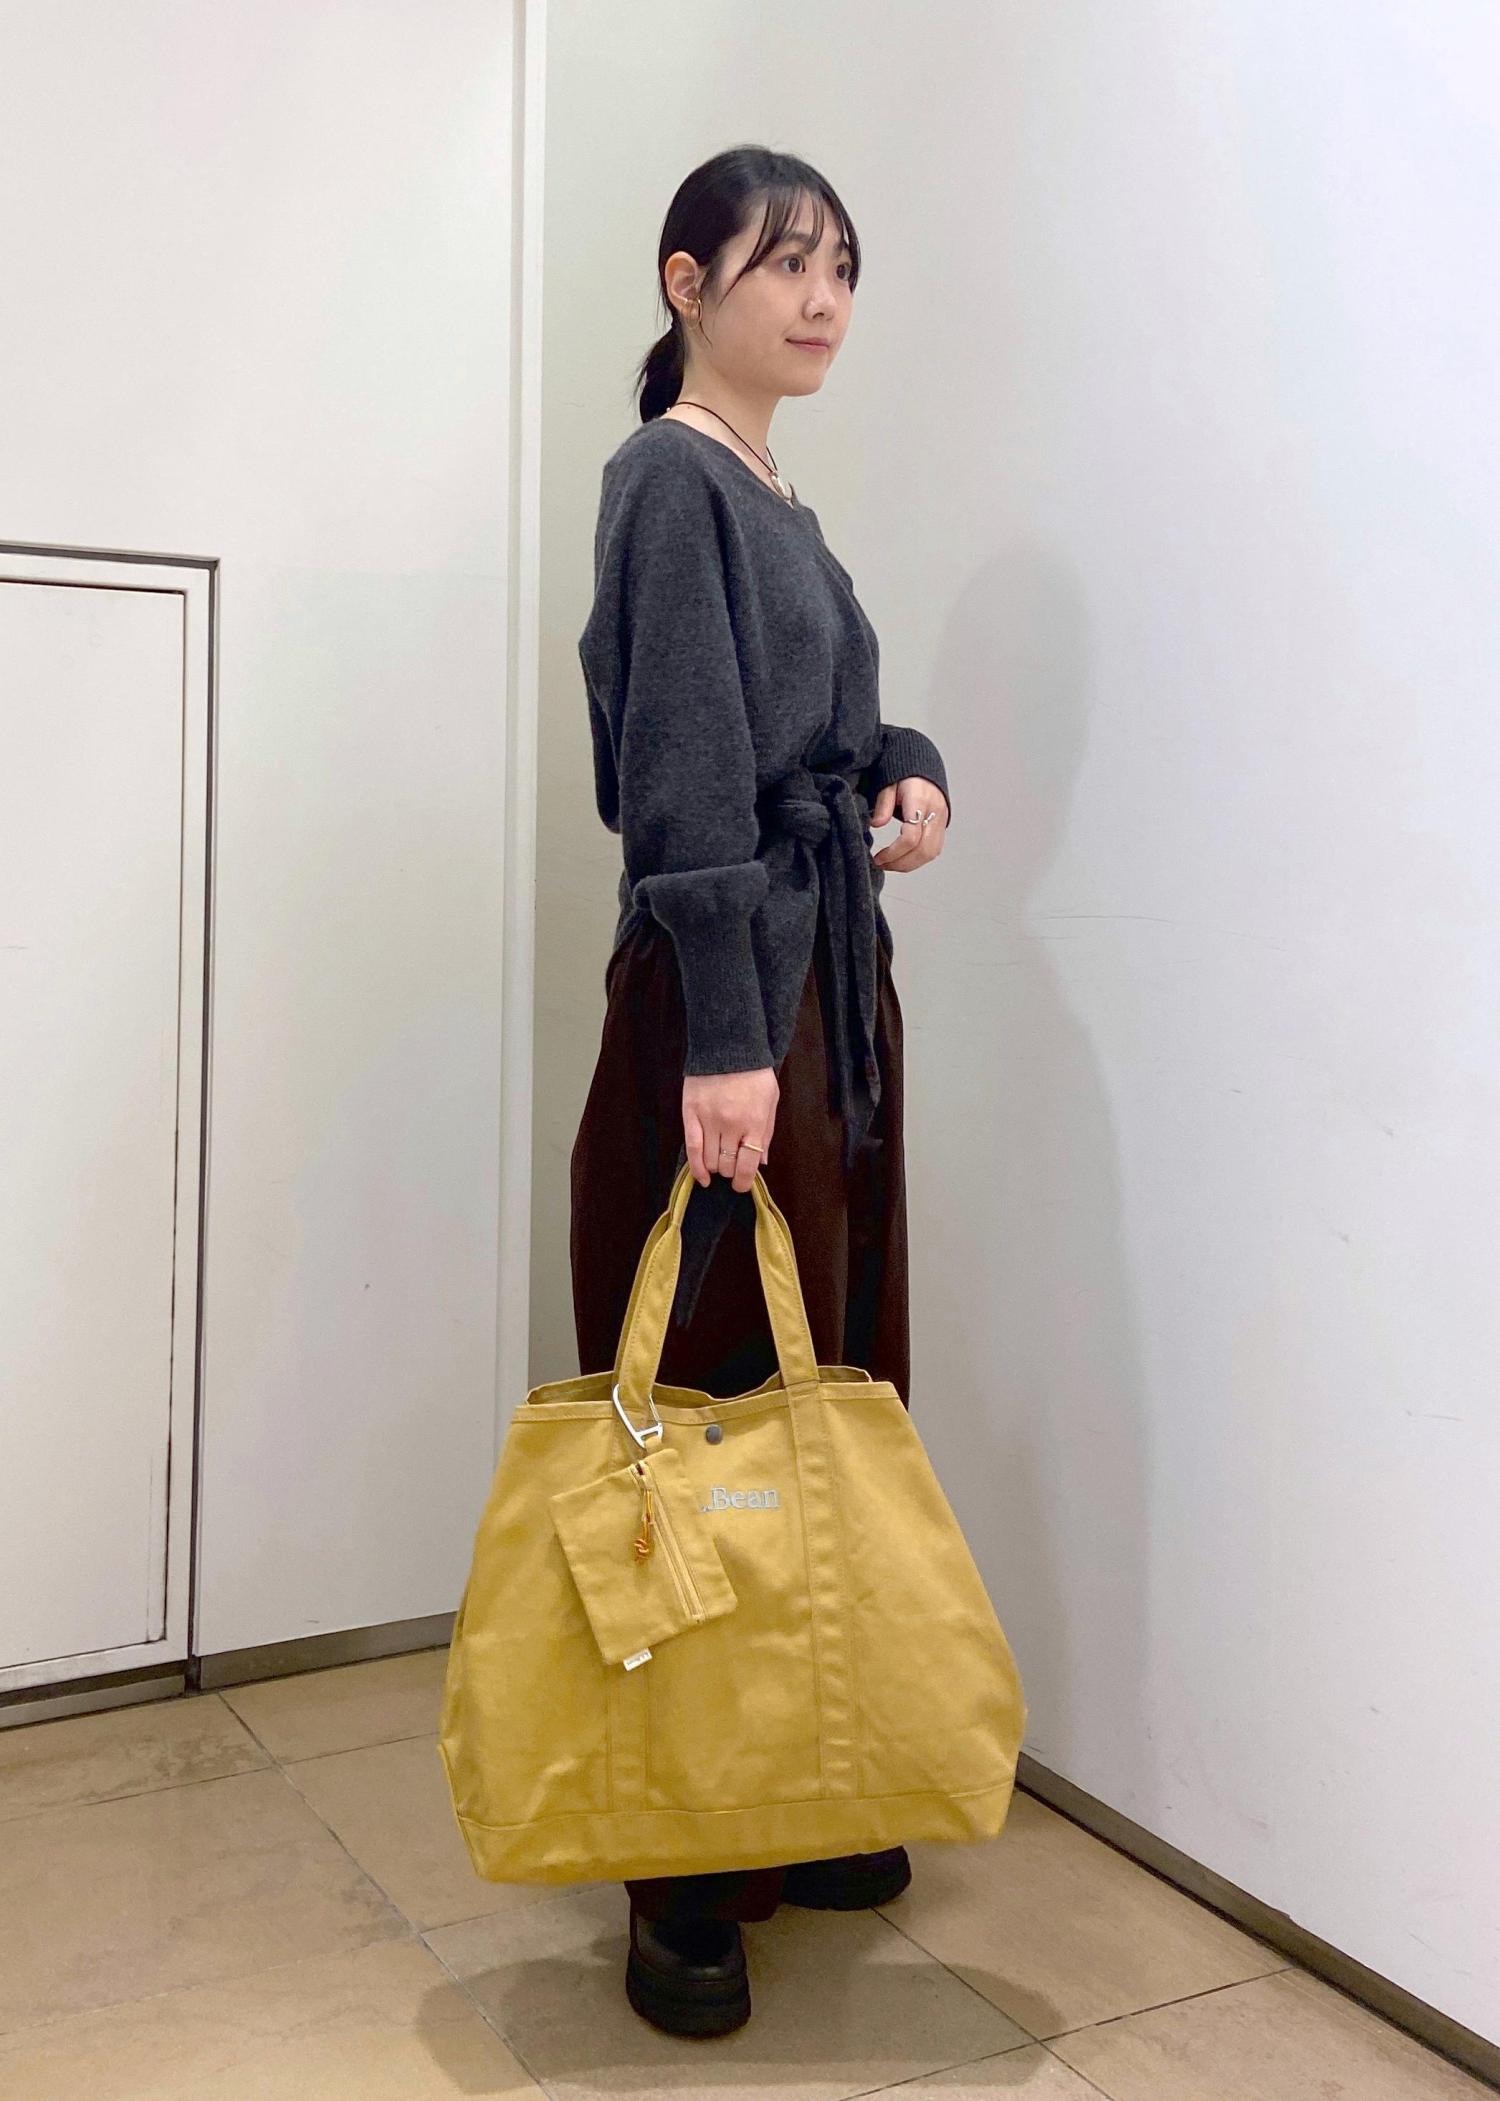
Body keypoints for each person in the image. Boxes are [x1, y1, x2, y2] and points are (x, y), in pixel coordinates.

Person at [570, 146, 951, 2039]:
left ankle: (799, 1784)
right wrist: (727, 1034)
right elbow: (680, 775)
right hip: (735, 1008)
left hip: (821, 995)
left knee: (827, 1389)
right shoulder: (671, 479)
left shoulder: (775, 490)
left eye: (843, 269)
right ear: (685, 281)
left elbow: (815, 724)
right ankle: (683, 1876)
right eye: (785, 262)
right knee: (710, 1416)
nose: (821, 299)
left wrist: (907, 762)